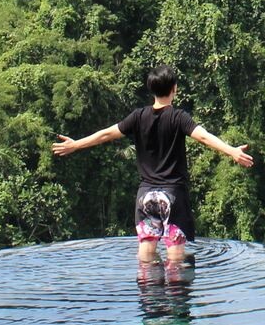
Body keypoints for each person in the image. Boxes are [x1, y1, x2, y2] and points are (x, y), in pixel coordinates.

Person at [52, 64, 253, 262]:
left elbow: (106, 134)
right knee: (175, 255)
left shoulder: (138, 116)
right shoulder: (178, 117)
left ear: (151, 89)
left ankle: (149, 294)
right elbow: (204, 137)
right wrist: (232, 151)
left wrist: (76, 144)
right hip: (172, 193)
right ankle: (174, 294)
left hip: (146, 194)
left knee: (146, 253)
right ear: (174, 88)